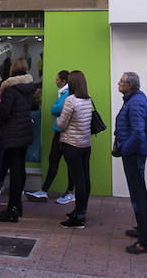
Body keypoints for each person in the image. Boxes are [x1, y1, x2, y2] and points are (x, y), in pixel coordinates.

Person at [116, 71, 147, 254]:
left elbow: (138, 133)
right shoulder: (133, 100)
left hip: (133, 154)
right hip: (134, 153)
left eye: (122, 81)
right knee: (136, 193)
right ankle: (142, 228)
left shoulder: (136, 102)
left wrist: (125, 148)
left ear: (130, 85)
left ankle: (146, 241)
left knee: (138, 196)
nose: (119, 83)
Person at [0, 58, 38, 222]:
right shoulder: (29, 88)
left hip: (13, 134)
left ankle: (12, 209)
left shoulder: (10, 89)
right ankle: (17, 206)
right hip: (25, 133)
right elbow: (34, 106)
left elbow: (4, 112)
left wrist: (0, 123)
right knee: (20, 168)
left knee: (14, 171)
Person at [27, 70, 75, 204]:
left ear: (64, 81)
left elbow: (56, 109)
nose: (55, 81)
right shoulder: (64, 93)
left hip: (65, 133)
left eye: (57, 79)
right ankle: (44, 190)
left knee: (68, 162)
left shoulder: (67, 94)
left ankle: (70, 192)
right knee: (54, 160)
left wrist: (56, 107)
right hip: (60, 132)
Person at [55, 70, 93, 229]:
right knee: (84, 177)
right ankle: (81, 210)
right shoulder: (88, 99)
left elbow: (62, 124)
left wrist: (57, 119)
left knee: (78, 180)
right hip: (85, 144)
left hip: (72, 144)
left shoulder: (71, 100)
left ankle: (79, 217)